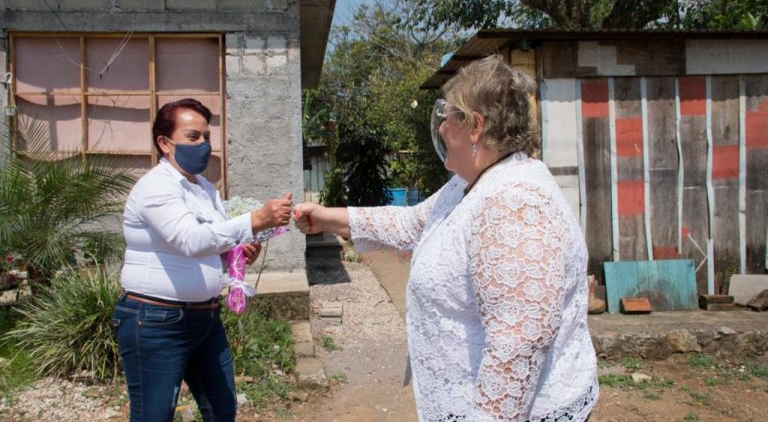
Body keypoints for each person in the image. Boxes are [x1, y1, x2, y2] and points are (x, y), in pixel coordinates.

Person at [293, 55, 598, 421]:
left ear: (475, 126)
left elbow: (518, 345)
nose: (440, 129)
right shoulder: (470, 184)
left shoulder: (515, 205)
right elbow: (412, 223)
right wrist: (328, 218)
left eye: (448, 116)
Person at [112, 98, 292, 421]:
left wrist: (235, 253)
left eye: (207, 137)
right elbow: (190, 241)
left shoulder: (205, 189)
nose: (204, 145)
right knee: (153, 416)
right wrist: (255, 220)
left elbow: (210, 248)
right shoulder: (155, 187)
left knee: (222, 410)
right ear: (165, 143)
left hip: (205, 319)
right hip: (156, 321)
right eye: (193, 137)